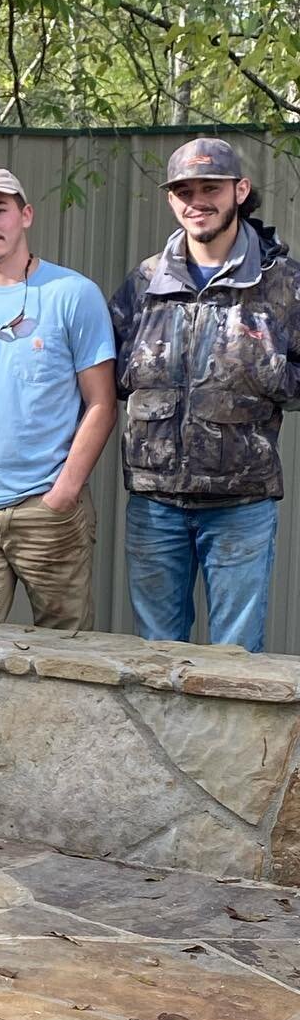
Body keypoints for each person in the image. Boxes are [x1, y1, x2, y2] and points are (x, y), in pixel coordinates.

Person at [110, 137, 300, 655]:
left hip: (242, 503)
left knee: (235, 661)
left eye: (211, 187)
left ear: (240, 190)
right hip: (154, 503)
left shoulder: (281, 283)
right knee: (157, 655)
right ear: (172, 200)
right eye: (184, 190)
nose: (198, 200)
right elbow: (106, 373)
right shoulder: (146, 282)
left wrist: (267, 371)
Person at [0, 167, 117, 629]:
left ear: (26, 215)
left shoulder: (72, 295)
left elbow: (101, 402)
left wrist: (64, 493)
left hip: (48, 508)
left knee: (63, 658)